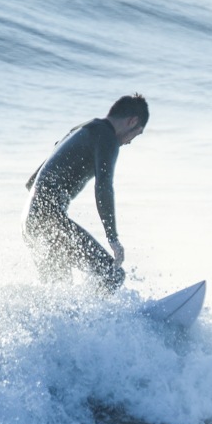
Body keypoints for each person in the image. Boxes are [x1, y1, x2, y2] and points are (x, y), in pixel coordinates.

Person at [22, 94, 148, 291]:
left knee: (60, 292)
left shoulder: (80, 130)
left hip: (30, 221)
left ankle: (78, 321)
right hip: (49, 220)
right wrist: (112, 238)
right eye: (137, 133)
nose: (130, 142)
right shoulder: (107, 136)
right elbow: (104, 186)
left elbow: (32, 182)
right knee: (112, 275)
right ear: (132, 121)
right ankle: (101, 320)